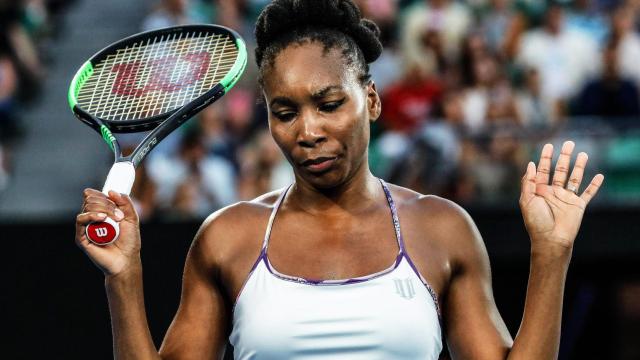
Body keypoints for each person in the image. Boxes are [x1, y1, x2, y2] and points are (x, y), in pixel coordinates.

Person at [74, 1, 605, 358]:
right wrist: (123, 278)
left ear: (370, 100)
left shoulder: (442, 228)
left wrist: (552, 251)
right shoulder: (226, 237)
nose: (308, 131)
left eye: (329, 104)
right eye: (284, 112)